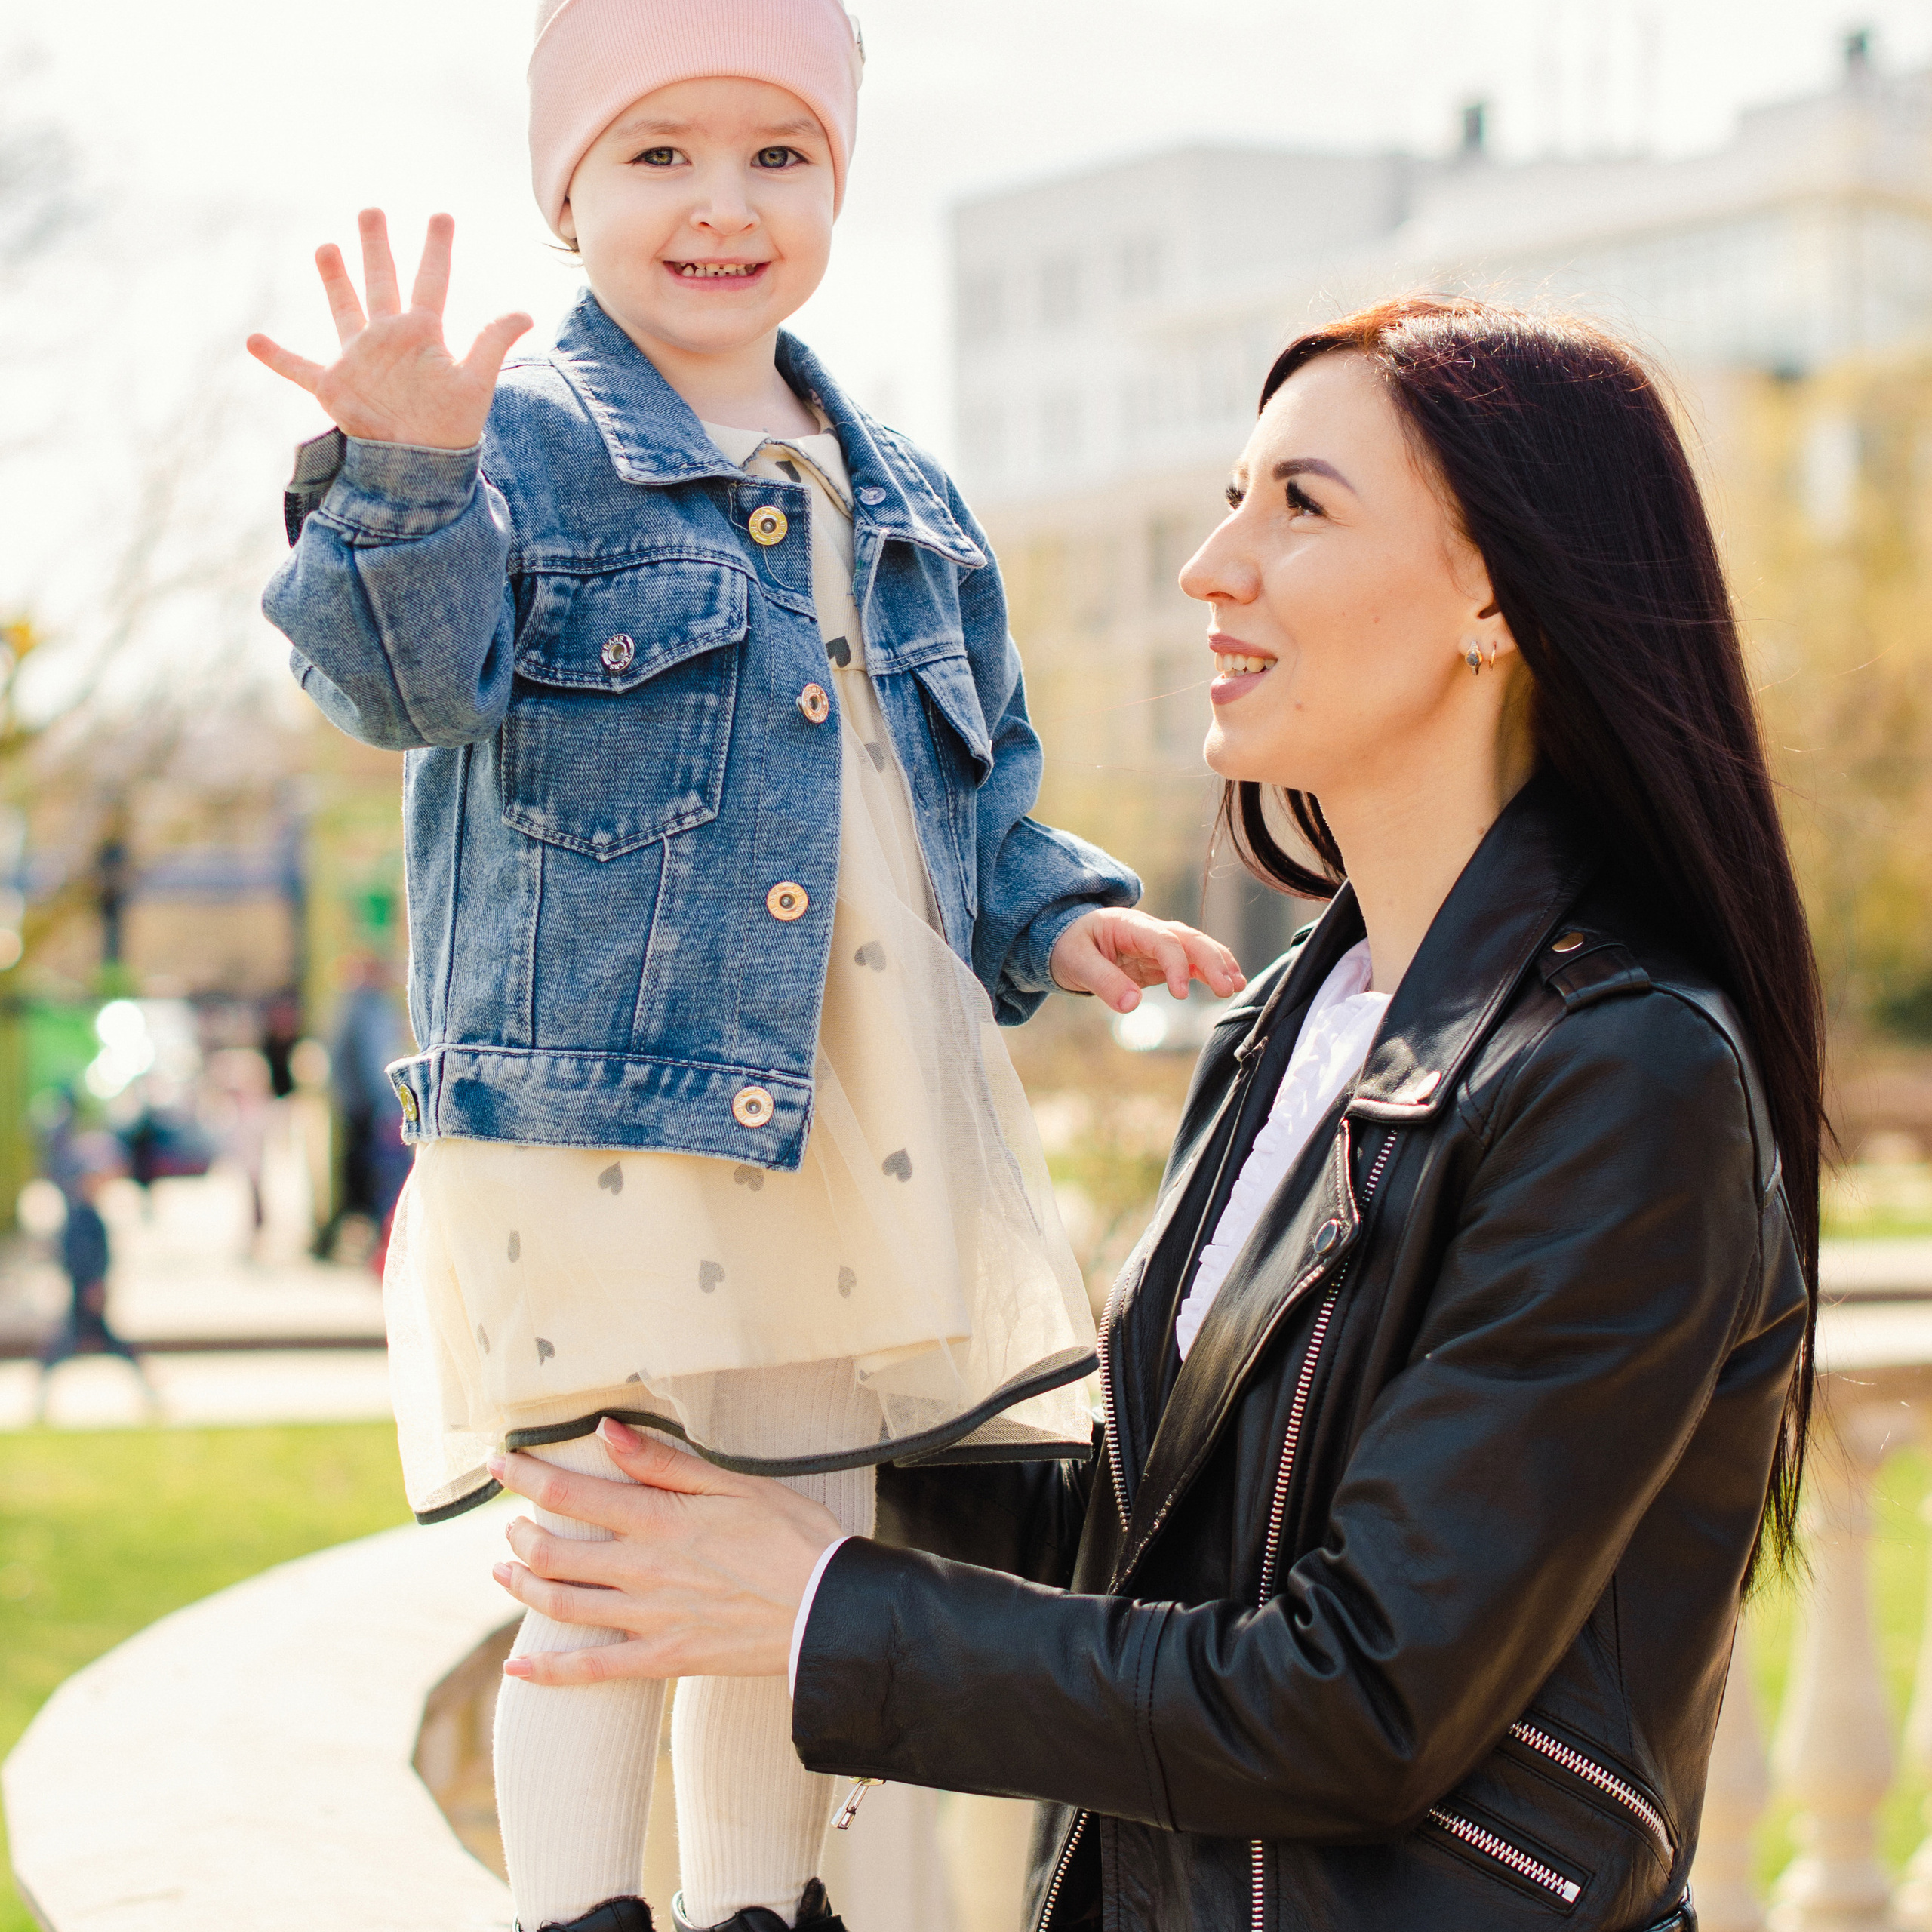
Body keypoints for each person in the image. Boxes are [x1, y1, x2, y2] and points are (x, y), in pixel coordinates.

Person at [485, 297, 1823, 1932]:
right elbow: (1153, 1537)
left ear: (1492, 594)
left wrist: (823, 1603)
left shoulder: (1623, 1075)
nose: (1212, 566)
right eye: (1229, 497)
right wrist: (766, 1430)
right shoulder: (1286, 1027)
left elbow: (1357, 1697)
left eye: (1299, 506)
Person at [248, 5, 1241, 1930]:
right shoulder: (517, 437)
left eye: (777, 152)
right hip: (599, 1113)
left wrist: (1058, 913)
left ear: (840, 182)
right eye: (657, 154)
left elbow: (966, 797)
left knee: (782, 1570)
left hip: (854, 1123)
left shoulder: (911, 493)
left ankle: (756, 1911)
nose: (721, 203)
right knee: (610, 1554)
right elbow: (399, 685)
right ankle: (573, 1906)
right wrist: (396, 474)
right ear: (568, 191)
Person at [35, 1134, 161, 1423]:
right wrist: (92, 1284)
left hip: (86, 1294)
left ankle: (40, 1397)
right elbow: (79, 1257)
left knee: (75, 1346)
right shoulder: (82, 1216)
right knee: (74, 1345)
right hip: (84, 1295)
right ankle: (40, 1397)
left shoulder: (85, 1213)